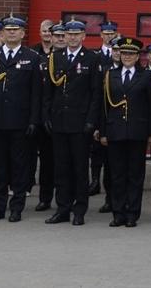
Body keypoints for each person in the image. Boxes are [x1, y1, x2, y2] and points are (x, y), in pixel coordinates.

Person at [0, 15, 43, 222]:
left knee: (19, 167)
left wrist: (34, 120)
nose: (12, 32)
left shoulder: (32, 57)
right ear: (2, 33)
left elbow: (36, 94)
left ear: (23, 33)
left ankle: (16, 208)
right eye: (8, 29)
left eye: (16, 30)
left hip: (20, 122)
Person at [44, 20, 104, 226]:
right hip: (59, 120)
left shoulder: (92, 58)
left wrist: (91, 121)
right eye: (68, 33)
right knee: (61, 168)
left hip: (80, 122)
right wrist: (46, 116)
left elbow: (96, 93)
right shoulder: (55, 57)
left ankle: (79, 210)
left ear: (83, 36)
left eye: (76, 34)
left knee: (79, 168)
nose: (71, 37)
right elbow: (49, 91)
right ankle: (62, 208)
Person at [98, 36, 151, 227]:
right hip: (115, 131)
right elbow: (104, 106)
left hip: (137, 132)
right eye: (124, 53)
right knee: (117, 175)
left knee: (135, 175)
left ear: (138, 56)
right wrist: (103, 132)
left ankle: (132, 214)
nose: (127, 56)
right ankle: (118, 212)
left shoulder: (146, 76)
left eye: (131, 54)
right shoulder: (110, 75)